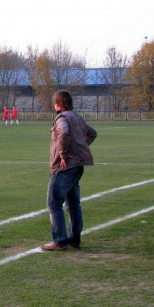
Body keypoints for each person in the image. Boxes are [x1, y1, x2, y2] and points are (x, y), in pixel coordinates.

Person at [41, 90, 97, 251]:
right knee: (73, 205)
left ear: (57, 103)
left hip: (64, 167)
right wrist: (79, 149)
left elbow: (64, 133)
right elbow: (92, 133)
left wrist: (64, 154)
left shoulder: (62, 118)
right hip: (77, 166)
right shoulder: (77, 117)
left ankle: (60, 241)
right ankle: (74, 240)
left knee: (54, 203)